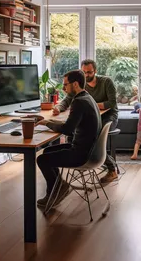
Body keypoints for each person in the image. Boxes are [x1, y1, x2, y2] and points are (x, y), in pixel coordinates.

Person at [36, 70, 102, 207]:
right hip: (90, 150)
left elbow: (67, 130)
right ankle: (59, 187)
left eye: (66, 85)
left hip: (81, 155)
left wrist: (48, 123)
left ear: (75, 84)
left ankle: (55, 191)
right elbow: (71, 124)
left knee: (41, 159)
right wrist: (49, 122)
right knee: (47, 152)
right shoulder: (87, 98)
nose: (64, 88)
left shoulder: (79, 102)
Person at [53, 59, 119, 183]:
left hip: (109, 116)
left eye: (89, 72)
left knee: (95, 138)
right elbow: (67, 100)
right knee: (74, 133)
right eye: (84, 72)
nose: (86, 75)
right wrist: (58, 108)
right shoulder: (79, 85)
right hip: (91, 116)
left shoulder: (106, 82)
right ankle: (78, 160)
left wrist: (91, 104)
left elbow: (112, 103)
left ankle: (111, 169)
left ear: (95, 71)